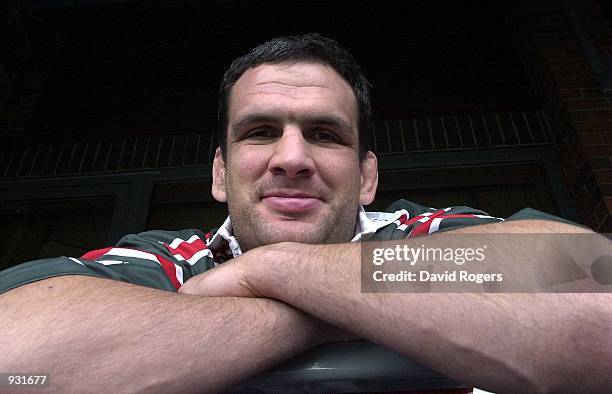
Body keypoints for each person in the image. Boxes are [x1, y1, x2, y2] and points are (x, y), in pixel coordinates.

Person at [1, 33, 611, 393]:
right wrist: (354, 306)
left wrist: (275, 272)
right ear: (219, 172)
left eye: (324, 134)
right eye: (261, 131)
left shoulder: (419, 232)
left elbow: (596, 291)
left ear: (367, 175)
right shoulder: (164, 262)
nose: (292, 157)